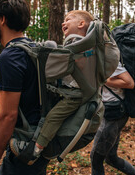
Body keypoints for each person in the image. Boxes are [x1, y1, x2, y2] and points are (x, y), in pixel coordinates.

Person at [9, 10, 94, 164]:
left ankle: (36, 149)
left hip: (74, 95)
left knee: (53, 117)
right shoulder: (85, 43)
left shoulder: (78, 43)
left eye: (68, 19)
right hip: (73, 91)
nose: (63, 23)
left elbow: (67, 66)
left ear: (81, 24)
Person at [0, 0, 49, 175]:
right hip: (40, 140)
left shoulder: (10, 57)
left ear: (2, 19)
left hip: (23, 146)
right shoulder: (34, 49)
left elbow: (7, 115)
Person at [90, 62, 135, 175]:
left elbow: (129, 83)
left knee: (95, 158)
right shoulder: (100, 61)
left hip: (114, 114)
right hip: (110, 112)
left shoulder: (111, 62)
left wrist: (104, 80)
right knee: (111, 158)